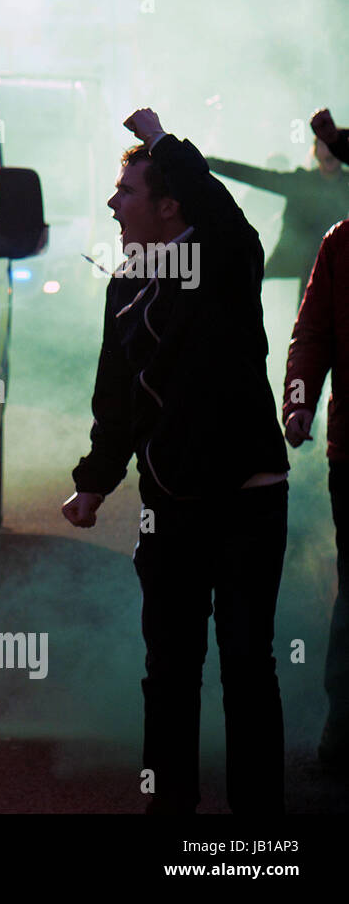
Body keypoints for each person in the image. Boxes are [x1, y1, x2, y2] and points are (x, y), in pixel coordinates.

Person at [62, 108, 291, 814]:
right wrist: (94, 483)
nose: (111, 202)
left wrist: (163, 141)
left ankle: (258, 826)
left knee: (247, 664)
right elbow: (118, 398)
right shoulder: (125, 285)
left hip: (248, 496)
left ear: (168, 204)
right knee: (169, 670)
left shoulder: (224, 256)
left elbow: (219, 209)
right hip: (169, 503)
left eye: (125, 190)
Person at [282, 107, 349, 778]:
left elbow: (309, 341)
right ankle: (343, 722)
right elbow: (311, 340)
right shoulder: (340, 245)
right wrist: (298, 408)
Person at [206, 109, 349, 304]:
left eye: (332, 143)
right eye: (322, 144)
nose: (329, 151)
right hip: (306, 269)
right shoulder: (301, 183)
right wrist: (208, 163)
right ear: (315, 151)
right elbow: (254, 175)